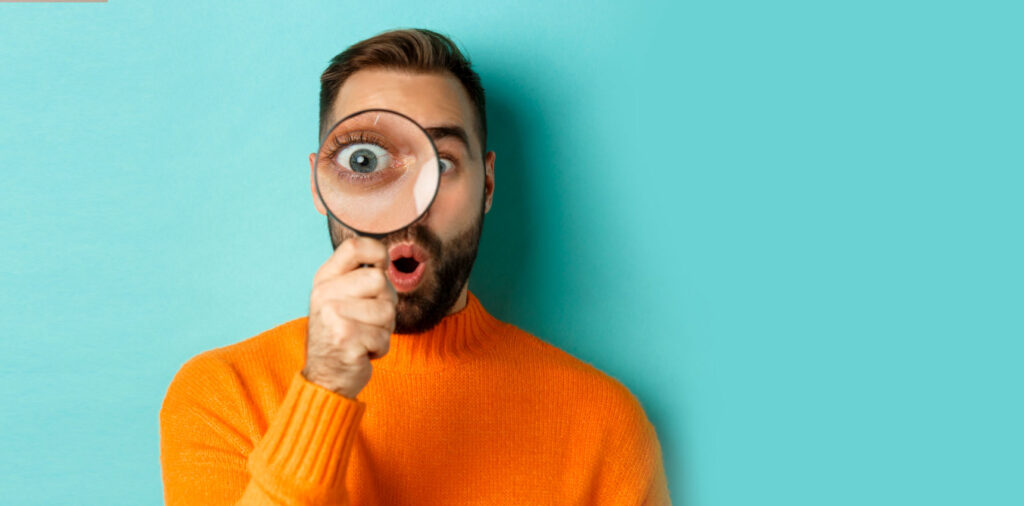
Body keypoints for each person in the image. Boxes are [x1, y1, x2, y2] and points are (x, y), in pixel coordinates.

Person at [159, 28, 671, 505]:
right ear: (319, 184)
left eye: (442, 163)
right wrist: (323, 391)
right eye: (365, 161)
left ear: (487, 185)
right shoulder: (223, 395)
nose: (411, 204)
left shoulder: (605, 424)